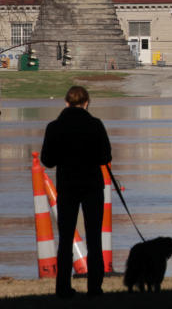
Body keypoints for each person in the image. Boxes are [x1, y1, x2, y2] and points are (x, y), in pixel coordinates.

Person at [41, 86, 112, 298]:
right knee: (94, 239)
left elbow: (47, 161)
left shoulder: (54, 127)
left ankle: (62, 287)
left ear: (66, 103)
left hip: (67, 186)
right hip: (91, 186)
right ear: (87, 103)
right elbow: (105, 157)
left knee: (65, 240)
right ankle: (94, 288)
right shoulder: (95, 125)